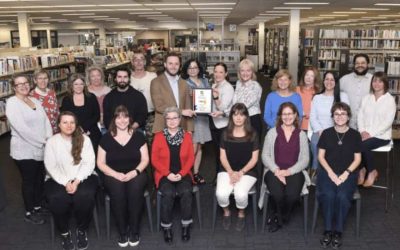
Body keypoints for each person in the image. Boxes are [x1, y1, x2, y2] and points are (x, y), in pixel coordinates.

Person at [44, 111, 98, 250]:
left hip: (83, 176)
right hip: (58, 178)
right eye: (65, 122)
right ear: (59, 125)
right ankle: (64, 233)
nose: (69, 125)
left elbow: (89, 163)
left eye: (72, 122)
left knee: (85, 195)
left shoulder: (84, 139)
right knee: (57, 198)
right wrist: (66, 182)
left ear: (76, 124)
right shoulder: (52, 142)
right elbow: (51, 166)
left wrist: (76, 181)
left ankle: (81, 230)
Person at [97, 105, 149, 247]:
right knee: (117, 191)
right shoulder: (106, 138)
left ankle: (134, 229)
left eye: (125, 117)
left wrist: (134, 172)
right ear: (114, 119)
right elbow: (100, 163)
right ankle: (122, 231)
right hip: (113, 174)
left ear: (129, 119)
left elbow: (145, 160)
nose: (122, 120)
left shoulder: (139, 136)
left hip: (136, 172)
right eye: (118, 117)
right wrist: (116, 174)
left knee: (135, 189)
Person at [6, 74, 52, 224]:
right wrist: (43, 141)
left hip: (40, 147)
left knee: (39, 178)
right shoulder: (12, 103)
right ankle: (29, 211)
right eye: (19, 84)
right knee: (29, 181)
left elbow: (46, 120)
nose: (24, 86)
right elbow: (21, 129)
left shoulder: (34, 100)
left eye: (25, 83)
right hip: (24, 150)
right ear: (14, 88)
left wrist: (49, 138)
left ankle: (38, 206)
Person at [259, 102, 310, 233]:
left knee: (292, 196)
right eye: (284, 114)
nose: (287, 116)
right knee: (277, 194)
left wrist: (288, 172)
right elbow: (265, 155)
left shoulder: (301, 135)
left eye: (290, 113)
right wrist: (277, 171)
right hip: (273, 170)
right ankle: (282, 217)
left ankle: (278, 216)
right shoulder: (272, 133)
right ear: (280, 116)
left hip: (295, 171)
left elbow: (305, 159)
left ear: (295, 115)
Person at [317, 102, 362, 249]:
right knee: (329, 195)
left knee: (342, 196)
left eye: (343, 113)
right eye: (337, 114)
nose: (340, 117)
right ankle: (328, 230)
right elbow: (321, 157)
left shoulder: (355, 135)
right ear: (333, 116)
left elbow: (358, 159)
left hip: (347, 172)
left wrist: (345, 174)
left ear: (348, 116)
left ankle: (338, 232)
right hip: (327, 172)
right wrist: (330, 173)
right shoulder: (327, 133)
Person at [151, 107, 195, 244]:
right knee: (168, 193)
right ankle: (166, 227)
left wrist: (181, 174)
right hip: (164, 174)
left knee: (186, 191)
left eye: (175, 118)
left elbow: (191, 159)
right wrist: (168, 174)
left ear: (180, 119)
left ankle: (186, 225)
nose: (172, 121)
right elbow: (154, 159)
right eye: (168, 118)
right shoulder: (158, 136)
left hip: (183, 173)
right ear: (165, 120)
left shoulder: (187, 136)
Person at [216, 103, 259, 232]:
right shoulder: (225, 133)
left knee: (240, 195)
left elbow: (254, 159)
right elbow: (222, 157)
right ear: (231, 117)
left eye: (241, 114)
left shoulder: (253, 133)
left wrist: (240, 173)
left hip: (247, 171)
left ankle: (241, 213)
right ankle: (226, 211)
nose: (238, 118)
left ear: (246, 116)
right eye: (235, 114)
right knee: (221, 194)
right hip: (227, 169)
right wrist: (230, 172)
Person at [357, 72, 396, 187]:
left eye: (380, 81)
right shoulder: (366, 98)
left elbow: (387, 122)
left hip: (381, 136)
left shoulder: (389, 100)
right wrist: (362, 131)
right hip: (364, 134)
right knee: (354, 143)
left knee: (362, 145)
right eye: (374, 80)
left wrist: (371, 134)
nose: (377, 83)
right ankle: (363, 169)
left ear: (385, 83)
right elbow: (360, 116)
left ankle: (371, 171)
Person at [309, 72, 349, 175]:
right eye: (327, 79)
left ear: (336, 82)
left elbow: (345, 115)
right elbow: (313, 117)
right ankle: (317, 170)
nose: (329, 82)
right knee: (315, 143)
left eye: (332, 80)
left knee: (337, 146)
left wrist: (334, 130)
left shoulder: (342, 96)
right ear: (323, 81)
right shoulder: (317, 98)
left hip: (338, 130)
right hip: (320, 130)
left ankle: (335, 171)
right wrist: (319, 130)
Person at [181, 59, 212, 184]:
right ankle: (186, 173)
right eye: (190, 68)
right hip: (191, 119)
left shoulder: (205, 81)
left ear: (199, 69)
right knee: (191, 148)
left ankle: (195, 173)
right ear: (186, 70)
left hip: (203, 118)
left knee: (199, 147)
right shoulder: (183, 83)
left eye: (195, 67)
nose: (193, 70)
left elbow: (208, 98)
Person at [150, 52, 194, 133]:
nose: (173, 67)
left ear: (179, 65)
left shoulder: (184, 83)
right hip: (163, 127)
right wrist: (181, 112)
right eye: (170, 63)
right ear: (165, 64)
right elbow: (159, 106)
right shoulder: (156, 82)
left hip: (182, 128)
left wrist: (190, 130)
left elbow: (188, 108)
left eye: (176, 64)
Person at [61, 73, 101, 152]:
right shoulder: (66, 100)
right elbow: (64, 118)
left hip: (92, 132)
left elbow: (97, 115)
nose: (79, 86)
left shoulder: (91, 97)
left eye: (81, 84)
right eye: (76, 84)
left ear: (84, 85)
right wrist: (78, 129)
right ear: (71, 85)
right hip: (73, 132)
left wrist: (84, 128)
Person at [209, 62, 234, 173]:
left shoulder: (228, 87)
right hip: (214, 122)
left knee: (223, 152)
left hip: (222, 125)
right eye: (216, 71)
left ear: (226, 73)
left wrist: (216, 97)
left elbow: (223, 107)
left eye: (221, 72)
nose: (218, 74)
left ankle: (223, 174)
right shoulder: (214, 85)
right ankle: (219, 173)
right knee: (217, 151)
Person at [340, 53, 373, 129]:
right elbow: (334, 95)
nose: (360, 65)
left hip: (367, 125)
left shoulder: (374, 80)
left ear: (368, 64)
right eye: (357, 63)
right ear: (354, 65)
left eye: (363, 63)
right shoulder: (344, 79)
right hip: (348, 124)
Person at [130, 51, 158, 141]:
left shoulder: (152, 76)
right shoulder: (128, 78)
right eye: (136, 60)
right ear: (132, 62)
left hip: (151, 116)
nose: (139, 62)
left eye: (141, 59)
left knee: (152, 142)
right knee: (136, 142)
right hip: (133, 117)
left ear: (145, 62)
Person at [232, 58, 263, 137]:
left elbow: (245, 105)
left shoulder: (255, 86)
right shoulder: (238, 83)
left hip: (252, 120)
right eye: (242, 70)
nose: (245, 73)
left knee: (252, 147)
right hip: (239, 118)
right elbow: (234, 101)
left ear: (252, 72)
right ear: (239, 72)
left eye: (248, 70)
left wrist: (233, 113)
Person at [30, 69, 60, 134]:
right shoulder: (31, 96)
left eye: (45, 78)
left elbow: (57, 111)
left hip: (55, 129)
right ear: (35, 80)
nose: (43, 81)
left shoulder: (52, 93)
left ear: (48, 80)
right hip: (41, 132)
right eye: (40, 78)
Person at [86, 66, 111, 133]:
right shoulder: (85, 92)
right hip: (91, 127)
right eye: (93, 76)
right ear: (89, 78)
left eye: (98, 75)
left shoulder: (108, 90)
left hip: (108, 125)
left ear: (102, 77)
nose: (96, 78)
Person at [296, 66, 321, 131]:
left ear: (315, 79)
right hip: (297, 125)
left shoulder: (319, 92)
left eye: (312, 76)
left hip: (313, 127)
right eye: (307, 75)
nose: (308, 78)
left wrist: (309, 114)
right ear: (304, 76)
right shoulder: (296, 90)